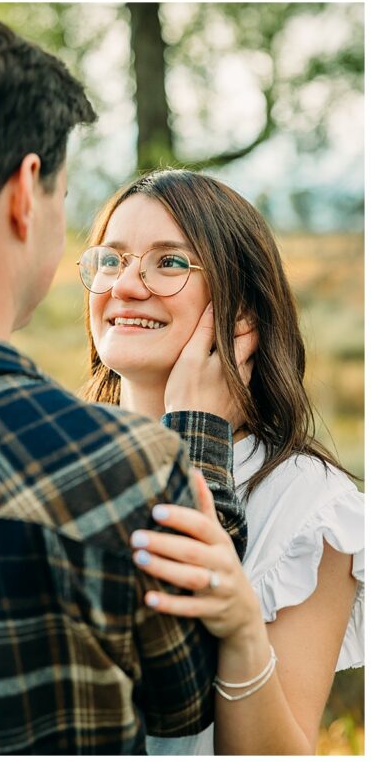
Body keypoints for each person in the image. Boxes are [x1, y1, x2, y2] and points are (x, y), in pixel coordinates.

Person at [0, 12, 250, 755]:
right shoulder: (119, 469)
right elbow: (193, 700)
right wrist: (197, 446)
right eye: (67, 197)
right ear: (24, 189)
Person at [77, 168, 363, 754]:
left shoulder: (310, 505)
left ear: (243, 316)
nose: (126, 286)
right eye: (112, 259)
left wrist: (193, 432)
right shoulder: (56, 450)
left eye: (169, 263)